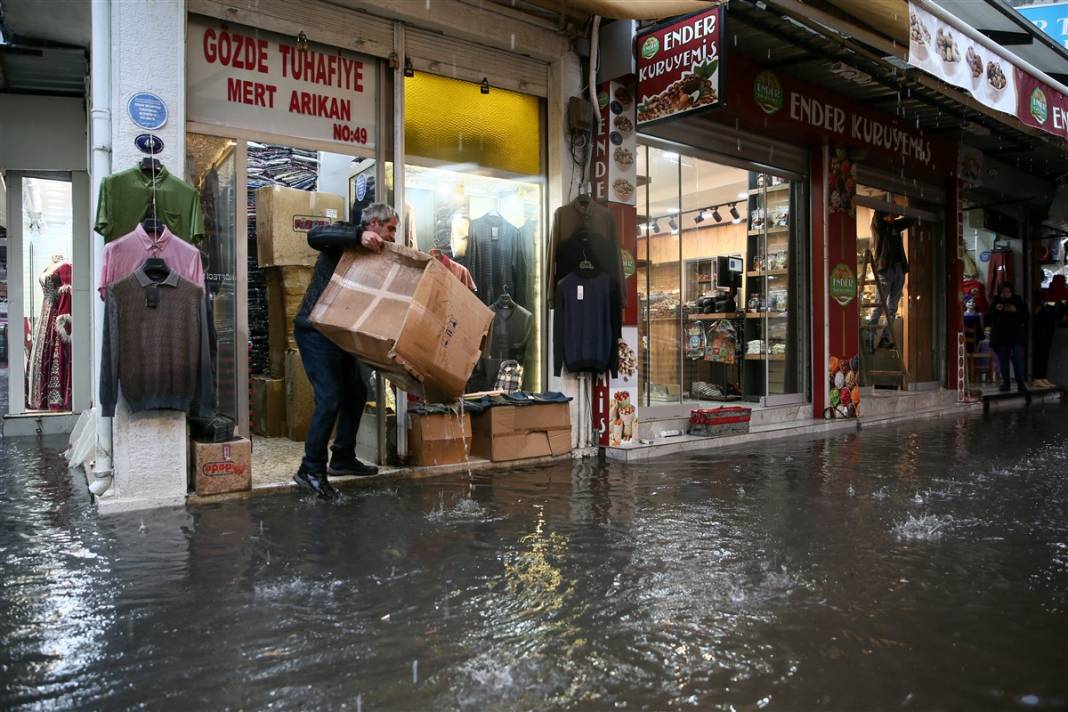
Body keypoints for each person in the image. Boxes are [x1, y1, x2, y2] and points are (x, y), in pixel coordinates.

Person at [292, 203, 398, 499]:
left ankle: (342, 457)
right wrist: (357, 235)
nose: (393, 236)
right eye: (390, 228)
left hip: (342, 334)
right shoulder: (341, 236)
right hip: (315, 330)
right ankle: (310, 470)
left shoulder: (380, 255)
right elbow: (315, 235)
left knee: (356, 392)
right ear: (374, 224)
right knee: (329, 399)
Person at [867, 210, 916, 349]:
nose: (892, 218)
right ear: (884, 215)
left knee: (892, 308)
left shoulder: (894, 225)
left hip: (898, 268)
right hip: (885, 268)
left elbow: (909, 220)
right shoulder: (879, 227)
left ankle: (885, 338)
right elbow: (877, 217)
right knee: (879, 305)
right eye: (889, 215)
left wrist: (898, 212)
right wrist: (890, 211)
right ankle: (870, 338)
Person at [986, 282, 1028, 393]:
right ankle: (1006, 383)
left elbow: (1025, 316)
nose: (1006, 294)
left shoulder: (1017, 300)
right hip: (1001, 335)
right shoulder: (996, 301)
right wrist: (996, 309)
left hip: (1015, 335)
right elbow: (989, 316)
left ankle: (1021, 383)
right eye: (1003, 292)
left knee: (1018, 359)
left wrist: (1015, 310)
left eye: (1008, 292)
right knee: (1003, 360)